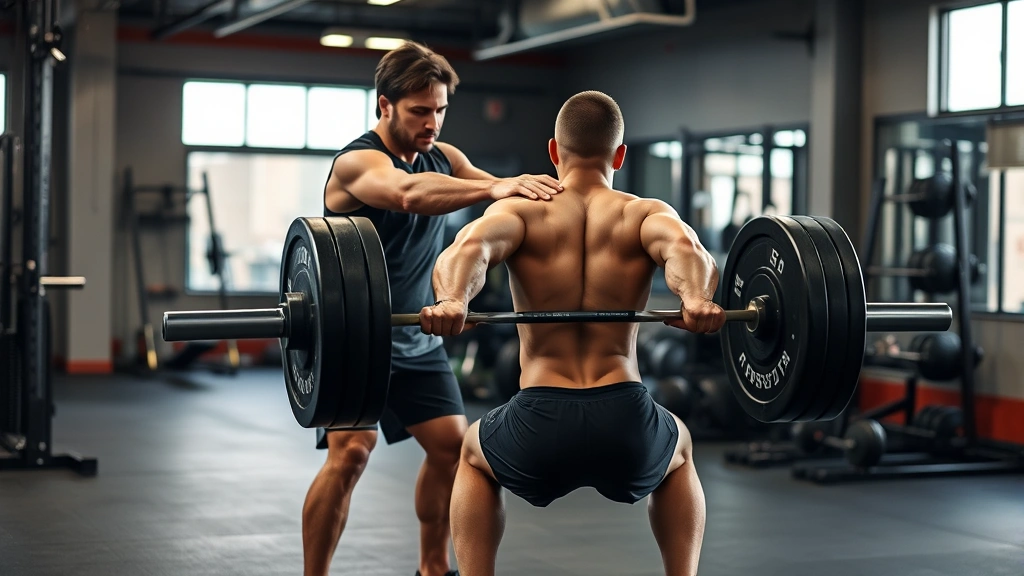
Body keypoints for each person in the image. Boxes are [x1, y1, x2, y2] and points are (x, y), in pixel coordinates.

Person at [418, 90, 726, 576]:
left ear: (553, 152)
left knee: (472, 453)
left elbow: (468, 250)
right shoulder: (643, 213)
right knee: (681, 448)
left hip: (539, 422)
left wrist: (453, 300)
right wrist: (697, 301)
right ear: (620, 155)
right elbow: (687, 252)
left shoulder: (520, 212)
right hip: (625, 419)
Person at [305, 41, 563, 576]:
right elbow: (407, 193)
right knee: (351, 453)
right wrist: (493, 185)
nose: (433, 122)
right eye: (420, 111)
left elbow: (495, 197)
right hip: (354, 339)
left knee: (453, 449)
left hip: (416, 339)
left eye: (440, 109)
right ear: (384, 106)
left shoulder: (444, 159)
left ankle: (430, 567)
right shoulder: (357, 162)